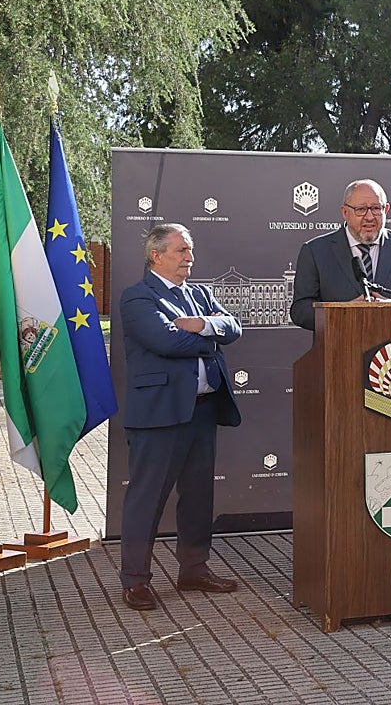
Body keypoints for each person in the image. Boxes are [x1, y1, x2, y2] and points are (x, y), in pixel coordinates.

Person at [117, 223, 243, 611]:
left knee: (198, 497)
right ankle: (136, 580)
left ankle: (194, 569)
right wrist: (210, 338)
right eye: (181, 251)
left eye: (190, 250)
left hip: (202, 411)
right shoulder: (138, 297)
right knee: (147, 499)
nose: (190, 258)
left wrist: (204, 324)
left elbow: (234, 327)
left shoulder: (200, 294)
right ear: (156, 256)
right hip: (159, 414)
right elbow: (166, 341)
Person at [290, 178, 391, 330]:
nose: (369, 217)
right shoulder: (315, 251)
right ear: (345, 212)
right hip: (341, 343)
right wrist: (343, 313)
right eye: (360, 209)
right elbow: (300, 311)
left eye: (376, 208)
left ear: (386, 209)